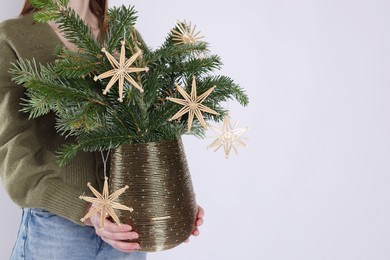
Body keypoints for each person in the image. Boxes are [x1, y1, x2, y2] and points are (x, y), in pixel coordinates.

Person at [0, 0, 204, 259]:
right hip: (58, 231)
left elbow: (153, 124)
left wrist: (173, 193)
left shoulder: (123, 34)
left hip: (129, 227)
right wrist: (83, 207)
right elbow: (12, 150)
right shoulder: (13, 36)